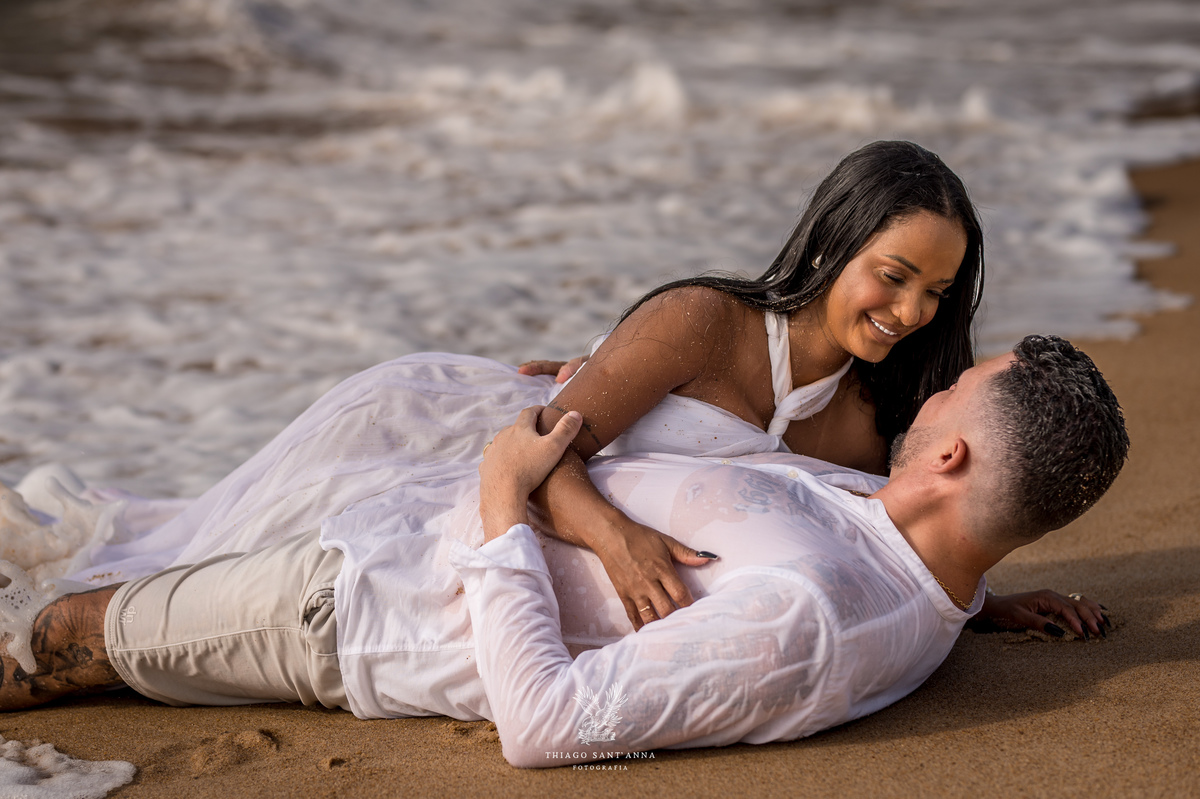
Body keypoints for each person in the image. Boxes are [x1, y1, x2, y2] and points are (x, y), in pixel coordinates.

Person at [0, 336, 1128, 768]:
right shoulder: (898, 549)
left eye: (950, 396)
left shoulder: (818, 614)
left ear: (953, 461)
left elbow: (547, 726)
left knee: (63, 638)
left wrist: (503, 497)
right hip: (383, 531)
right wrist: (977, 602)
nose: (927, 392)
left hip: (352, 609)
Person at [515, 139, 984, 629]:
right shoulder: (701, 323)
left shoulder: (868, 424)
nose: (913, 312)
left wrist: (980, 606)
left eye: (935, 292)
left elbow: (884, 551)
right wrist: (617, 539)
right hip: (518, 535)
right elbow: (532, 459)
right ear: (830, 242)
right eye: (892, 276)